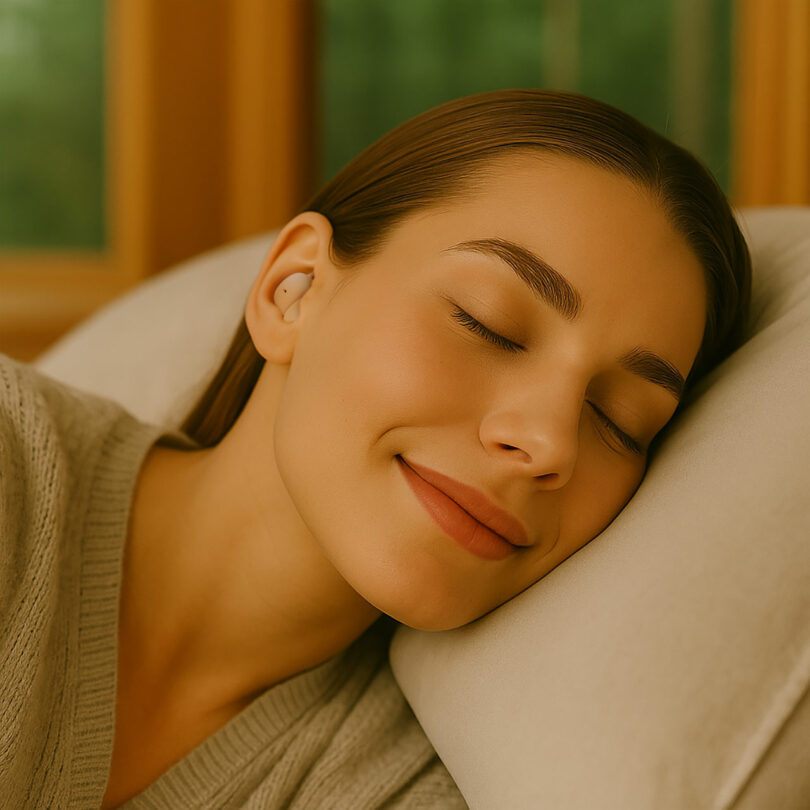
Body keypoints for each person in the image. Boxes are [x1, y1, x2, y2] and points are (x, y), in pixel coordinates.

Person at [0, 89, 750, 809]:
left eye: (619, 421)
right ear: (292, 289)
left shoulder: (411, 787)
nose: (549, 442)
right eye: (488, 324)